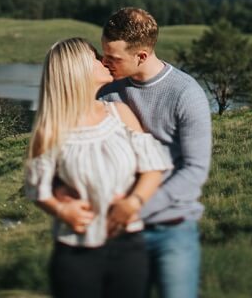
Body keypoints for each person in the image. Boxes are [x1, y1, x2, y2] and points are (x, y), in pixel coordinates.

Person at [24, 37, 173, 298]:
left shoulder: (120, 112)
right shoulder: (51, 130)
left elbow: (153, 167)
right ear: (75, 69)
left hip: (130, 246)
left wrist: (133, 203)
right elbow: (38, 188)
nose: (103, 61)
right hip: (76, 251)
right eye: (94, 57)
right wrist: (62, 209)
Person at [94, 8, 214, 298]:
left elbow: (195, 170)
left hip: (171, 230)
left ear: (142, 56)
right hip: (119, 233)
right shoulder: (107, 90)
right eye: (103, 53)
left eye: (114, 58)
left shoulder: (186, 94)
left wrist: (136, 208)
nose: (104, 63)